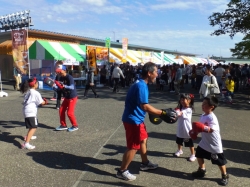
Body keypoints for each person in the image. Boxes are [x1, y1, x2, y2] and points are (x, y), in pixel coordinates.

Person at [116, 62, 175, 181]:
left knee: (143, 139)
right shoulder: (141, 85)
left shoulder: (140, 83)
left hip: (137, 118)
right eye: (156, 72)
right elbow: (144, 106)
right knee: (133, 146)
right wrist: (162, 113)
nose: (157, 75)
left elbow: (141, 104)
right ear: (149, 73)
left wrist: (154, 113)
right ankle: (122, 171)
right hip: (133, 120)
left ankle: (145, 163)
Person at [192, 96, 229, 186]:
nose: (202, 105)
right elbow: (200, 128)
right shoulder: (203, 115)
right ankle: (202, 170)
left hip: (214, 144)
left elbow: (211, 129)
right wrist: (195, 132)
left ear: (211, 107)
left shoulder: (212, 118)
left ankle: (224, 175)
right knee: (198, 154)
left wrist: (201, 127)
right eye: (202, 103)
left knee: (220, 161)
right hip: (205, 142)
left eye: (205, 104)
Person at [20, 77, 47, 149]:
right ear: (34, 84)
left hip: (26, 110)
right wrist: (45, 101)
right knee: (34, 127)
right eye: (37, 83)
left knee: (32, 126)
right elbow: (42, 103)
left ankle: (29, 136)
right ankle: (26, 143)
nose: (37, 84)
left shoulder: (28, 91)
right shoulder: (35, 92)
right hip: (30, 111)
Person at [54, 65, 79, 132]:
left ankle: (75, 126)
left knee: (70, 113)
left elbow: (72, 87)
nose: (59, 73)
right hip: (67, 97)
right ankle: (63, 125)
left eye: (60, 71)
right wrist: (56, 87)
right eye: (58, 72)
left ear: (64, 70)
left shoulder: (69, 77)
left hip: (72, 97)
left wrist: (64, 86)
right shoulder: (61, 77)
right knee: (61, 110)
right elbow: (60, 87)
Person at [174, 93, 196, 162]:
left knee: (189, 142)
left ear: (189, 100)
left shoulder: (189, 109)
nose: (182, 101)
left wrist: (176, 111)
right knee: (179, 140)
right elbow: (177, 115)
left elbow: (180, 113)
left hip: (187, 129)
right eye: (181, 100)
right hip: (180, 127)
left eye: (184, 100)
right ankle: (180, 150)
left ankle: (193, 154)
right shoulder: (181, 108)